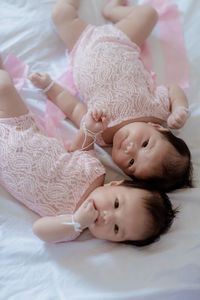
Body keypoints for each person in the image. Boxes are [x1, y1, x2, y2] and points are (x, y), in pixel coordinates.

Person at [0, 57, 176, 246]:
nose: (108, 217)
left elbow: (39, 229)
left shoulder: (71, 225)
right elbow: (81, 148)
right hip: (20, 128)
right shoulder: (94, 171)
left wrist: (76, 222)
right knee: (3, 85)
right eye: (116, 204)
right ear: (115, 184)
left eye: (116, 229)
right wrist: (90, 130)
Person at [32, 0, 193, 192]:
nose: (129, 149)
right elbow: (173, 89)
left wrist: (49, 86)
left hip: (82, 46)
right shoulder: (157, 110)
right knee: (149, 13)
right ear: (158, 128)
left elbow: (74, 107)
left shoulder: (99, 133)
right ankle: (114, 10)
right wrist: (179, 108)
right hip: (122, 40)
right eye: (145, 144)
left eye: (131, 162)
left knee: (60, 13)